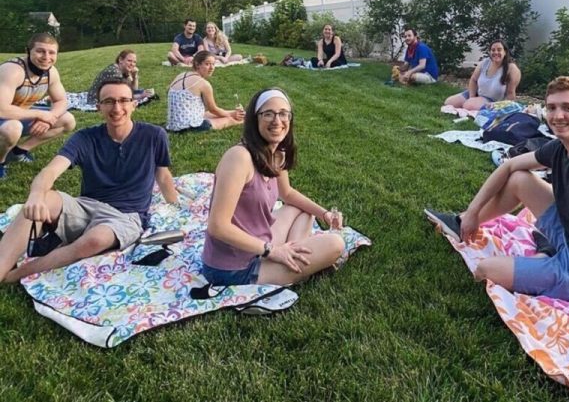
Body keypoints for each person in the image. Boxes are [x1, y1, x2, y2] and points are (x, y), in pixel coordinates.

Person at [426, 76, 569, 337]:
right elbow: (509, 166)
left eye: (568, 108)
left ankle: (548, 255)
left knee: (486, 269)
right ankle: (460, 223)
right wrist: (472, 213)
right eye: (552, 107)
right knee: (520, 178)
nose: (558, 115)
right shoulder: (560, 148)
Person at [0, 78, 178, 283]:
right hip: (86, 207)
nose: (117, 107)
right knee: (44, 199)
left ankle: (17, 274)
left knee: (95, 239)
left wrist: (176, 206)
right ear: (98, 107)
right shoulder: (85, 138)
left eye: (123, 100)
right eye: (109, 101)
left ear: (134, 104)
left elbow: (162, 175)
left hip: (127, 216)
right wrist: (36, 196)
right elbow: (50, 171)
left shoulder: (154, 135)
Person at [201, 88, 345, 286]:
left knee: (303, 211)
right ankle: (295, 267)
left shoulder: (276, 154)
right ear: (255, 119)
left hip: (259, 245)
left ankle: (292, 258)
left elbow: (288, 194)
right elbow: (217, 226)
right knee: (336, 244)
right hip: (233, 267)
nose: (277, 120)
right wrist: (272, 251)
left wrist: (325, 214)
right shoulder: (239, 157)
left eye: (283, 113)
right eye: (268, 114)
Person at [0, 33, 76, 178]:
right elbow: (2, 109)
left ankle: (18, 152)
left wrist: (50, 117)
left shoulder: (51, 73)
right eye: (40, 51)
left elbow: (61, 101)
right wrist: (40, 114)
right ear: (28, 51)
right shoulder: (13, 71)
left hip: (19, 116)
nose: (46, 57)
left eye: (52, 52)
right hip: (5, 118)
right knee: (12, 128)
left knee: (68, 121)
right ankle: (0, 162)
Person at [166, 51, 245, 132]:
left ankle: (239, 114)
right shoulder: (203, 84)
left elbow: (168, 90)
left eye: (213, 64)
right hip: (190, 127)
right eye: (207, 64)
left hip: (173, 124)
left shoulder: (181, 75)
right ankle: (246, 119)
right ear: (197, 64)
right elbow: (213, 109)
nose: (211, 68)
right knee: (229, 119)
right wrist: (231, 115)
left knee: (207, 114)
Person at [443, 40, 521, 110]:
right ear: (490, 52)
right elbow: (473, 80)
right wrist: (472, 97)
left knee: (468, 106)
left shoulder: (511, 68)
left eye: (499, 50)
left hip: (492, 100)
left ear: (505, 52)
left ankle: (471, 105)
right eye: (493, 50)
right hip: (477, 93)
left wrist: (503, 108)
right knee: (449, 102)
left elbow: (510, 94)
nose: (496, 52)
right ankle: (471, 103)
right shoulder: (484, 63)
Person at [86, 49, 154, 104]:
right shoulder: (114, 72)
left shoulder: (122, 70)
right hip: (96, 100)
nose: (132, 64)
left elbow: (133, 90)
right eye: (129, 61)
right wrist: (141, 96)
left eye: (134, 62)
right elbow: (122, 95)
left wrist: (135, 76)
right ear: (120, 60)